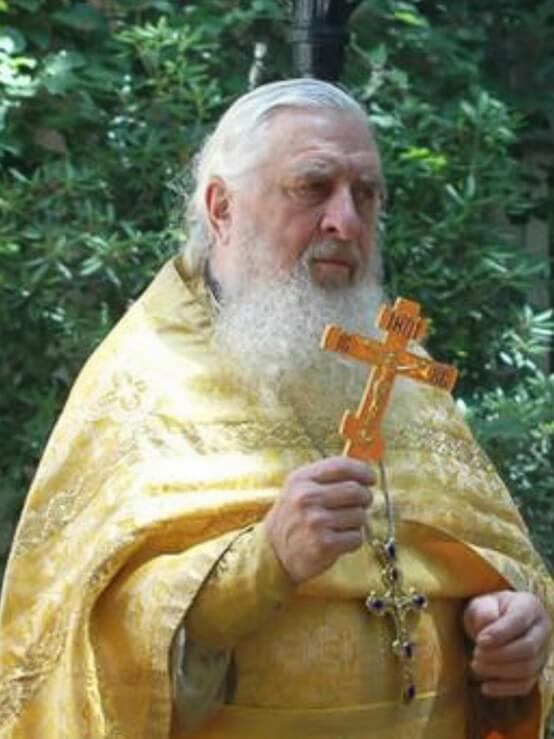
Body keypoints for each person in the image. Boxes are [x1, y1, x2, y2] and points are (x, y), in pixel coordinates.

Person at [0, 79, 552, 739]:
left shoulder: (402, 374)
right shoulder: (144, 382)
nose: (345, 222)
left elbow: (491, 555)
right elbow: (77, 642)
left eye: (366, 194)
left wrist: (512, 622)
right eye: (312, 187)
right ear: (221, 208)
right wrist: (264, 562)